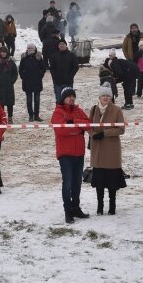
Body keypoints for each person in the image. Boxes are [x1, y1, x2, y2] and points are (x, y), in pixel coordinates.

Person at [51, 87, 91, 224]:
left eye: (73, 96)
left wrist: (73, 123)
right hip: (65, 153)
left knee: (77, 183)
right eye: (69, 96)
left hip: (79, 152)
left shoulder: (78, 110)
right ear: (63, 98)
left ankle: (76, 208)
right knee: (67, 183)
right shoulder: (58, 112)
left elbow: (88, 125)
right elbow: (62, 130)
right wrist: (77, 128)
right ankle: (68, 211)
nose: (72, 98)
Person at [88, 85, 127, 215]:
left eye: (108, 95)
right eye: (103, 95)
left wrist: (105, 133)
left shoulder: (117, 110)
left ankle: (112, 206)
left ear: (111, 97)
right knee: (99, 181)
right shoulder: (93, 109)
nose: (105, 97)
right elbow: (88, 126)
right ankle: (99, 207)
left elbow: (121, 129)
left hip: (111, 150)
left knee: (112, 182)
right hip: (98, 150)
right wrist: (93, 134)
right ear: (99, 97)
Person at [19, 43, 46, 122]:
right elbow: (20, 69)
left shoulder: (38, 57)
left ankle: (36, 115)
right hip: (27, 83)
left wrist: (40, 76)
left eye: (32, 48)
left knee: (37, 100)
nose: (30, 50)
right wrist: (23, 76)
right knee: (29, 100)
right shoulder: (24, 58)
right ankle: (31, 115)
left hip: (37, 82)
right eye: (29, 48)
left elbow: (43, 68)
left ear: (35, 49)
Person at [0, 46, 18, 122]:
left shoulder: (11, 62)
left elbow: (15, 73)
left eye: (4, 52)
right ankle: (1, 117)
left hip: (8, 86)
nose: (3, 53)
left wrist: (11, 81)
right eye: (1, 52)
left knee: (10, 103)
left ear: (7, 53)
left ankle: (10, 117)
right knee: (0, 103)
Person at [49, 39, 79, 104]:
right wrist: (54, 78)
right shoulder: (54, 56)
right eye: (60, 44)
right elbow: (51, 68)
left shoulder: (71, 55)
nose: (61, 45)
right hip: (57, 83)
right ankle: (59, 114)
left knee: (69, 100)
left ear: (66, 45)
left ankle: (69, 114)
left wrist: (70, 76)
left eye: (63, 44)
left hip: (68, 82)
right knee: (59, 100)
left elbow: (76, 67)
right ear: (58, 46)